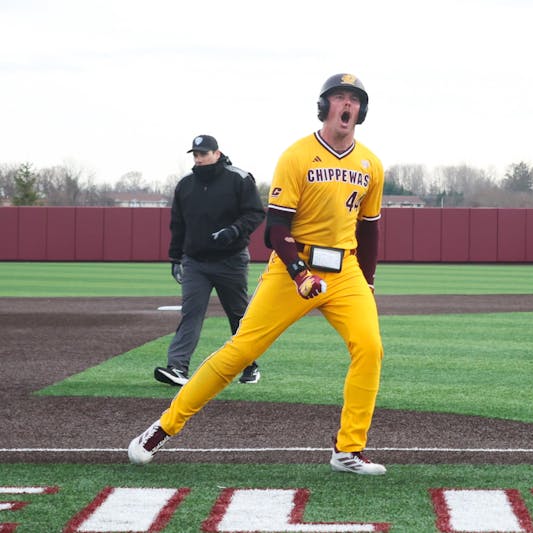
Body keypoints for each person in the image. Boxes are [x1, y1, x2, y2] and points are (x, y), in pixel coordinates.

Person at [129, 73, 387, 475]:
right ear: (324, 107)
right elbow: (276, 229)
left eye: (354, 98)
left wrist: (367, 282)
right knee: (242, 350)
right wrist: (299, 274)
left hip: (345, 270)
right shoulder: (297, 156)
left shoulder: (371, 163)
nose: (347, 104)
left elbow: (369, 229)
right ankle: (163, 427)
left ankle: (348, 450)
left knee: (370, 348)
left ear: (362, 110)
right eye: (339, 97)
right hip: (294, 267)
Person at [154, 134, 266, 387]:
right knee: (191, 313)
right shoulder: (185, 184)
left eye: (203, 154)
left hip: (231, 260)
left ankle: (250, 365)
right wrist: (175, 257)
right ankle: (177, 367)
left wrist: (233, 231)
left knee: (238, 315)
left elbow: (255, 213)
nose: (199, 158)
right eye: (195, 154)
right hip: (195, 262)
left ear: (217, 153)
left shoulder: (239, 178)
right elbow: (178, 224)